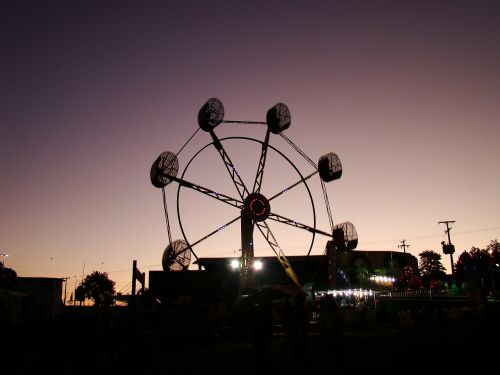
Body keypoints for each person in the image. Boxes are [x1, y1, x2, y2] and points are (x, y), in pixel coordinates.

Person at [286, 291, 310, 374]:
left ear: (299, 299)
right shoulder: (299, 309)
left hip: (297, 336)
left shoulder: (300, 309)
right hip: (298, 336)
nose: (294, 300)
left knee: (298, 355)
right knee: (300, 356)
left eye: (296, 298)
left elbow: (299, 323)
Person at [319, 295, 345, 369]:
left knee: (333, 354)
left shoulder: (333, 312)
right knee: (333, 354)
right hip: (331, 335)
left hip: (333, 335)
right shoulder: (333, 312)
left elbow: (339, 324)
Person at [252, 292, 273, 374]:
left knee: (261, 354)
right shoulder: (265, 312)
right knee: (264, 354)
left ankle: (262, 368)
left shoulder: (261, 312)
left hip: (260, 336)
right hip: (262, 336)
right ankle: (265, 368)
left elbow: (258, 325)